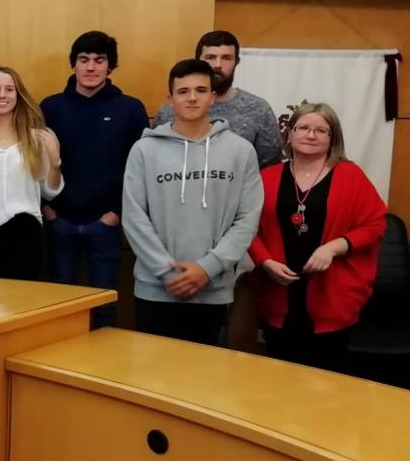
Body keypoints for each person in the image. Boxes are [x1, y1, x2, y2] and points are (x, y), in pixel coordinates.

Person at [122, 60, 263, 346]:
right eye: (183, 91)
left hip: (212, 288)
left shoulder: (240, 151)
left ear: (213, 96)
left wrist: (207, 268)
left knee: (203, 382)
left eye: (201, 90)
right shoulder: (144, 150)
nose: (192, 97)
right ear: (170, 98)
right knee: (152, 381)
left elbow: (247, 218)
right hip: (156, 288)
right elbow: (134, 217)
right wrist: (167, 272)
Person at [248, 102, 386, 373]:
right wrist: (264, 261)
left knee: (326, 383)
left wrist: (334, 248)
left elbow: (375, 224)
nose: (311, 135)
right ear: (289, 134)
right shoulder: (267, 177)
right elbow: (246, 228)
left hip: (332, 299)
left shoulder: (350, 175)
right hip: (278, 295)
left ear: (332, 138)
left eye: (321, 130)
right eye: (304, 128)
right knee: (281, 377)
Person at [41, 30, 147, 327]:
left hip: (106, 224)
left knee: (104, 306)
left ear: (109, 67)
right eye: (83, 59)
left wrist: (115, 213)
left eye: (99, 60)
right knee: (57, 306)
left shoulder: (130, 109)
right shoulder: (50, 107)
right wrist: (48, 210)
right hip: (58, 222)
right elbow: (34, 163)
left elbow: (136, 170)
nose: (90, 67)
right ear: (73, 64)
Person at [0, 67, 62, 280]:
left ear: (18, 94)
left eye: (9, 89)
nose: (2, 95)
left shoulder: (37, 138)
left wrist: (55, 162)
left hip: (27, 236)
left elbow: (50, 192)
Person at [153, 31, 282, 169]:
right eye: (210, 57)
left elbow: (269, 169)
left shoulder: (258, 109)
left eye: (226, 58)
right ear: (198, 59)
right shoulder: (170, 110)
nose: (217, 65)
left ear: (236, 62)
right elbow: (155, 159)